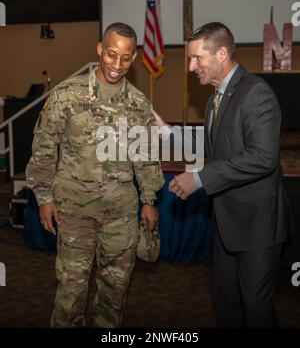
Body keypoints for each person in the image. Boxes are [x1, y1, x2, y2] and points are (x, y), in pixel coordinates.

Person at [26, 22, 164, 328]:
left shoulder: (139, 105)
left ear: (134, 58)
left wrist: (149, 199)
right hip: (74, 212)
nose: (117, 65)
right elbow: (44, 150)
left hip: (121, 216)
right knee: (71, 291)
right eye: (111, 54)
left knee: (114, 293)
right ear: (100, 50)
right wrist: (44, 197)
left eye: (126, 58)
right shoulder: (66, 96)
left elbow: (145, 157)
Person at [153, 22, 290, 328]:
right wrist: (166, 133)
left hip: (257, 228)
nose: (191, 67)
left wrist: (199, 179)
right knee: (225, 303)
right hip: (226, 225)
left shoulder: (256, 93)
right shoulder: (216, 97)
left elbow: (262, 157)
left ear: (222, 53)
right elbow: (213, 146)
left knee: (256, 311)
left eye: (196, 58)